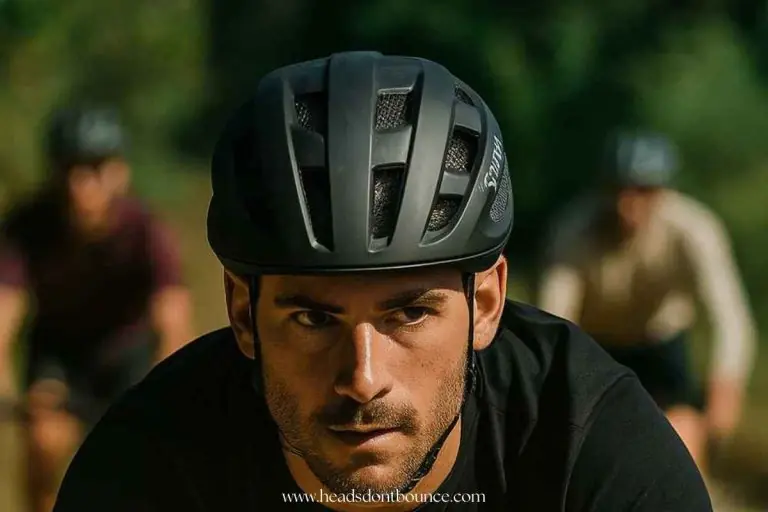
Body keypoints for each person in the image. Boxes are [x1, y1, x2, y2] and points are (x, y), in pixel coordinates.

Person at [53, 52, 710, 511]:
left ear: (486, 303)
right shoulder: (148, 467)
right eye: (312, 319)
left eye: (410, 315)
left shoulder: (594, 451)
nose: (363, 377)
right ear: (243, 315)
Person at [0, 106, 194, 512]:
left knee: (140, 471)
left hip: (128, 361)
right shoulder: (28, 226)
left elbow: (172, 316)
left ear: (119, 171)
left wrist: (171, 389)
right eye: (69, 169)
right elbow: (5, 309)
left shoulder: (145, 231)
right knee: (43, 441)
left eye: (93, 168)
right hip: (59, 357)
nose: (80, 184)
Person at [537, 131, 758, 475]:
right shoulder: (574, 230)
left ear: (664, 191)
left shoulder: (693, 230)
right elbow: (554, 318)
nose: (629, 204)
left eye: (644, 191)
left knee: (681, 442)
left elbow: (730, 319)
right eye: (620, 190)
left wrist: (726, 382)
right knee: (590, 452)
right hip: (597, 350)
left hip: (662, 350)